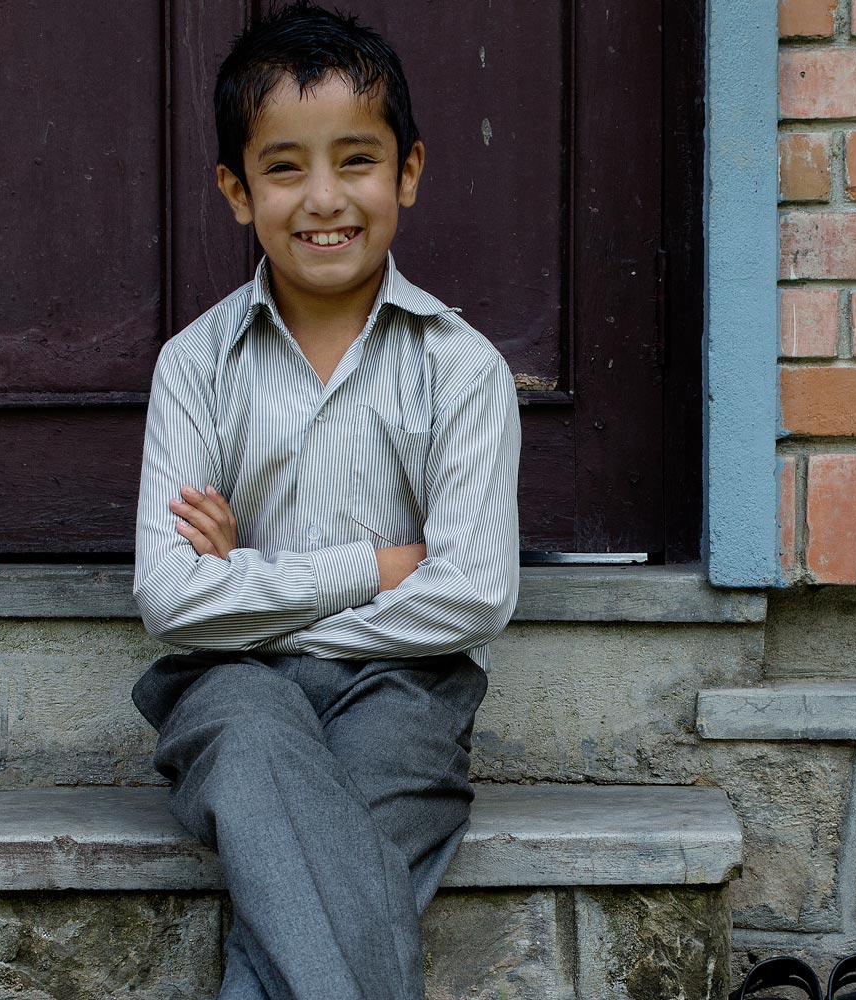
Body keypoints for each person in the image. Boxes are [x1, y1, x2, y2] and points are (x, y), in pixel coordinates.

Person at [126, 4, 520, 998]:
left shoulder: (460, 369)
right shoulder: (196, 366)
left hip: (405, 690)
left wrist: (247, 581)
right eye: (285, 167)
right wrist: (377, 567)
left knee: (316, 871)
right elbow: (170, 599)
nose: (324, 198)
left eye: (356, 160)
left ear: (408, 172)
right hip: (234, 685)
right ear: (237, 189)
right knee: (260, 746)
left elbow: (473, 596)